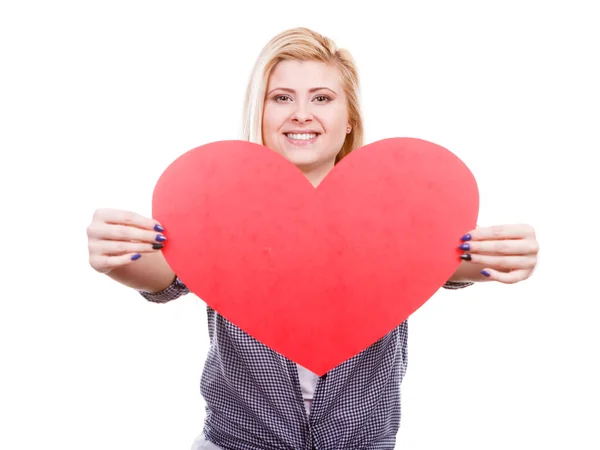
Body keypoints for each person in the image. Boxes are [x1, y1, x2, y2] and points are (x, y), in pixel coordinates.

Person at [86, 27, 539, 450]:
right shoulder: (221, 207)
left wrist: (500, 259)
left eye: (321, 98)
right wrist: (120, 257)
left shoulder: (392, 211)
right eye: (281, 98)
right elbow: (165, 275)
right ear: (260, 114)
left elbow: (439, 260)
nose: (301, 113)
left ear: (347, 120)